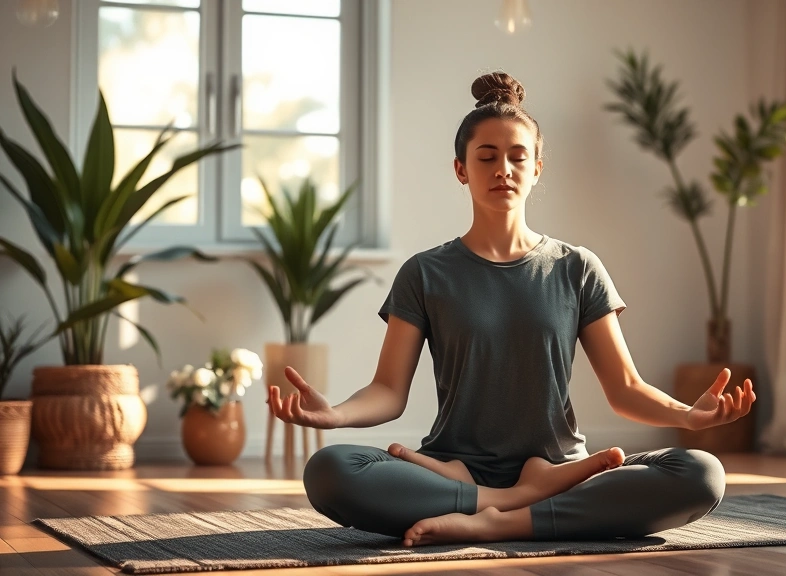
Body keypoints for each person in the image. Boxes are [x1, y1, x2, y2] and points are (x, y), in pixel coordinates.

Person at [267, 71, 755, 548]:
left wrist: (688, 416)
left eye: (518, 157)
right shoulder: (425, 273)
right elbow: (388, 392)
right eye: (487, 156)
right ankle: (520, 504)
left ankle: (494, 520)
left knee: (701, 473)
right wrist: (335, 415)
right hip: (453, 467)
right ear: (461, 169)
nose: (504, 169)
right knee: (330, 471)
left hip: (561, 470)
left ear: (536, 168)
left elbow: (624, 389)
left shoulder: (577, 267)